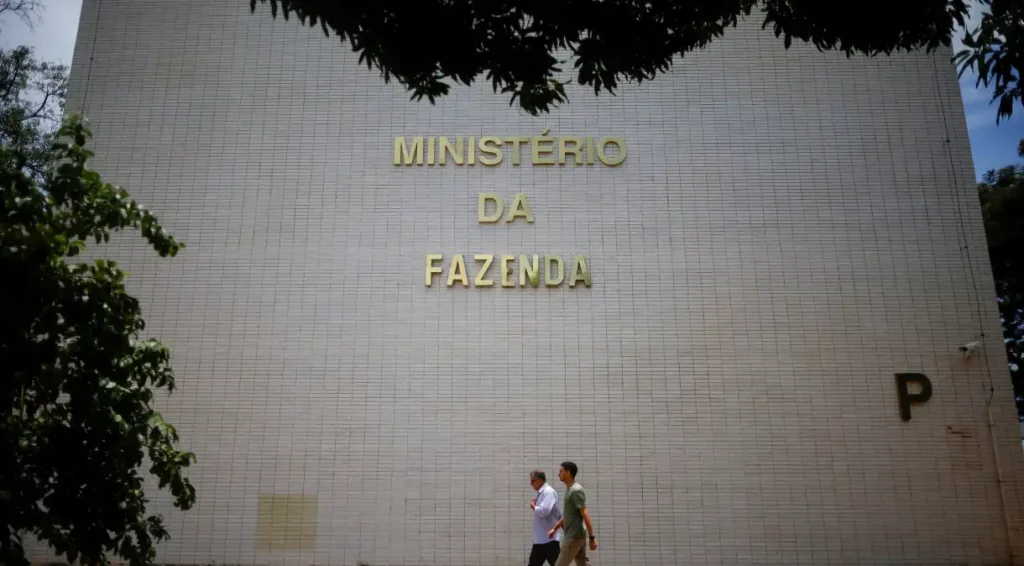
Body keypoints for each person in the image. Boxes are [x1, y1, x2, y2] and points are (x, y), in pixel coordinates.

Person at [547, 461, 597, 566]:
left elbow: (585, 514)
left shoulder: (575, 490)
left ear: (568, 473)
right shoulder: (570, 489)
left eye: (561, 471)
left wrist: (592, 538)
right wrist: (555, 529)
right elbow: (569, 515)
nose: (558, 474)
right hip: (576, 536)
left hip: (573, 537)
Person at [528, 469, 562, 566]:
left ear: (539, 480)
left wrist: (533, 506)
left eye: (532, 481)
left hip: (550, 540)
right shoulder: (541, 493)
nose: (531, 484)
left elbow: (544, 512)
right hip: (540, 539)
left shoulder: (548, 492)